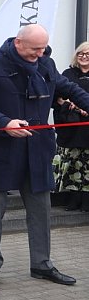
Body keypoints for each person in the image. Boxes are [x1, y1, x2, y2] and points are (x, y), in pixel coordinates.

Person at [0, 24, 89, 289]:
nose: (40, 53)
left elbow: (70, 89)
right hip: (2, 148)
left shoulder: (46, 63)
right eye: (35, 49)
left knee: (41, 211)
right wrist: (4, 122)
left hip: (37, 149)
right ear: (18, 43)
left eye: (43, 48)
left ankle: (41, 264)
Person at [52, 41, 89, 212]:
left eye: (87, 54)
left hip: (87, 129)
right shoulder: (67, 74)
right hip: (71, 129)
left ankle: (86, 201)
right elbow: (56, 97)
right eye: (81, 53)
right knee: (72, 165)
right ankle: (73, 200)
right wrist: (67, 103)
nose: (83, 57)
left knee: (87, 166)